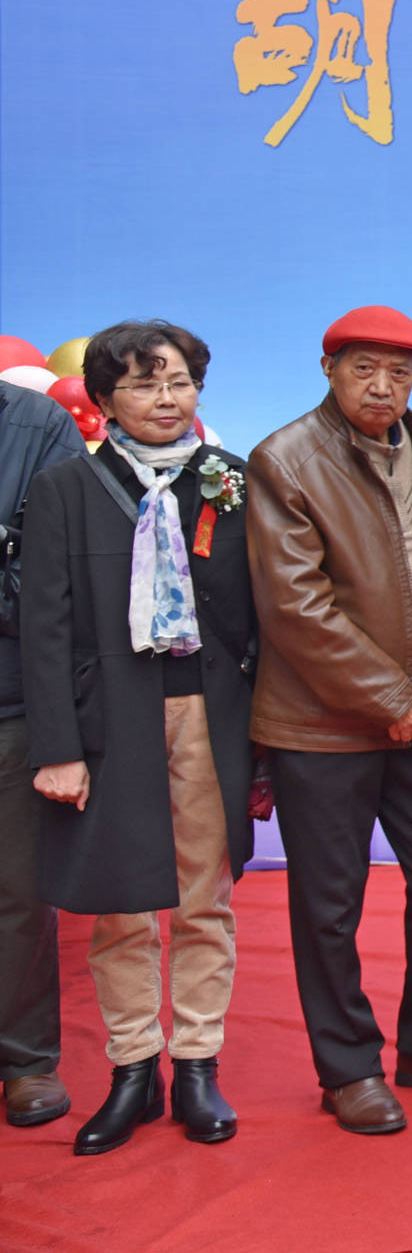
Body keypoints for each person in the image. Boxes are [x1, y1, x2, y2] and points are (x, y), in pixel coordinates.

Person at [248, 306, 412, 1134]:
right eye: (364, 367)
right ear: (328, 368)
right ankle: (348, 1067)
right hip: (320, 723)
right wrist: (384, 693)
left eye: (399, 372)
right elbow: (296, 605)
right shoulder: (284, 459)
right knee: (330, 902)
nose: (382, 386)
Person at [20, 322, 254, 1155]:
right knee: (119, 903)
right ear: (105, 398)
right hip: (107, 722)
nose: (167, 399)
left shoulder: (233, 482)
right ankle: (132, 1068)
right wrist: (56, 747)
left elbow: (264, 620)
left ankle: (197, 1062)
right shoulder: (63, 490)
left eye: (181, 382)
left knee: (205, 897)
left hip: (208, 716)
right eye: (146, 384)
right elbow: (43, 629)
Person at [1, 377, 85, 1132]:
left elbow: (53, 577)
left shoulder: (37, 425)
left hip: (10, 699)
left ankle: (25, 1059)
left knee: (19, 891)